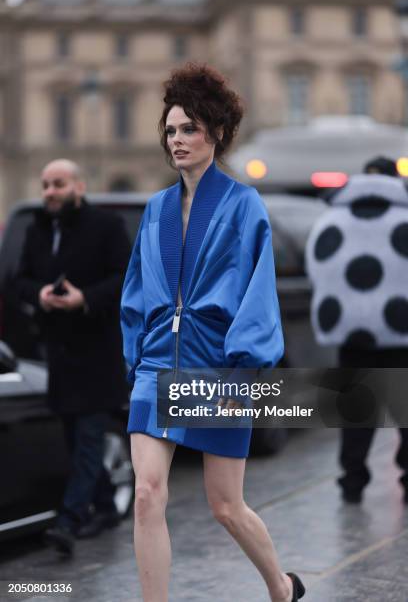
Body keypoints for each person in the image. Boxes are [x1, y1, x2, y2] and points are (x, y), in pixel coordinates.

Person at [121, 64, 306, 602]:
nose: (177, 140)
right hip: (157, 368)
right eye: (171, 130)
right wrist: (134, 355)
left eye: (190, 129)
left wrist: (244, 370)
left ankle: (279, 586)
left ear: (218, 134)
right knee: (147, 495)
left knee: (225, 506)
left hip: (219, 369)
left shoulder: (245, 205)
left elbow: (258, 292)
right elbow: (136, 289)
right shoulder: (154, 209)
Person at [15, 159, 131, 554]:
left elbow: (125, 278)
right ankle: (105, 507)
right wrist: (40, 295)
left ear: (78, 186)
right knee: (74, 438)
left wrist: (86, 299)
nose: (50, 191)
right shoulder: (37, 229)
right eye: (45, 184)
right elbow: (20, 280)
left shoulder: (107, 227)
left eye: (58, 183)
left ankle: (70, 519)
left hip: (97, 353)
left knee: (87, 438)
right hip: (58, 355)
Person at [306, 156, 408, 504]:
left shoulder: (331, 218)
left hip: (351, 335)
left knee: (356, 410)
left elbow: (318, 271)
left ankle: (352, 480)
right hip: (401, 334)